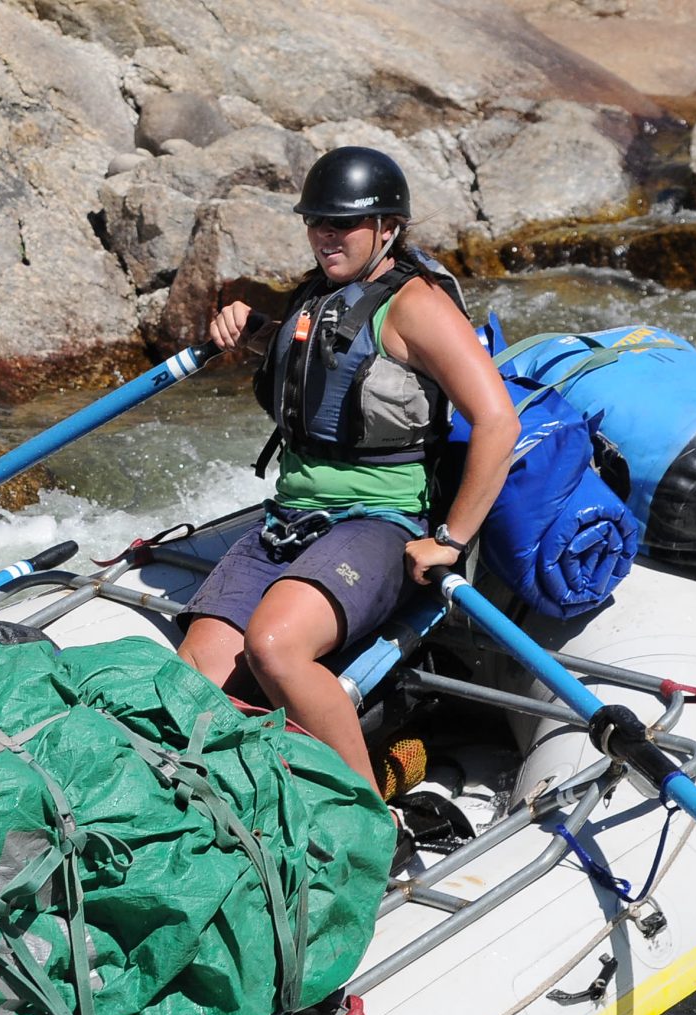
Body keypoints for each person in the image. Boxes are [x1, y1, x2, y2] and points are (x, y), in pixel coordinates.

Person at [176, 146, 520, 800]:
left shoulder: (415, 306)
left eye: (344, 225)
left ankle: (367, 817)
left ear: (387, 228)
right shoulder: (317, 293)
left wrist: (450, 540)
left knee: (274, 646)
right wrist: (249, 322)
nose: (327, 237)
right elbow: (320, 347)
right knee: (195, 674)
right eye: (317, 223)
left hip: (382, 524)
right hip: (290, 520)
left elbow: (498, 421)